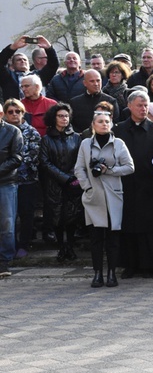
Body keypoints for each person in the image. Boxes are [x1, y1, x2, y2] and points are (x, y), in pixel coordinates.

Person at [113, 91, 153, 278]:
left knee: (152, 225)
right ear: (129, 106)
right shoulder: (119, 129)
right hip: (127, 183)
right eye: (139, 105)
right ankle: (131, 265)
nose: (143, 109)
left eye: (146, 105)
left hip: (151, 183)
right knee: (129, 225)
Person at [74, 109, 134, 287]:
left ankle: (111, 273)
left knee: (113, 238)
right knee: (96, 238)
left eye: (107, 121)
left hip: (113, 195)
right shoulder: (85, 144)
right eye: (100, 121)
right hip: (94, 197)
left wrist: (110, 171)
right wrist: (88, 187)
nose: (104, 124)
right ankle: (97, 273)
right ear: (93, 124)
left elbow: (130, 167)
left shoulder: (119, 144)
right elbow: (79, 168)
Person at [39, 103, 83, 262]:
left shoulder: (77, 137)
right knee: (57, 218)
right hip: (54, 184)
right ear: (54, 118)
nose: (64, 119)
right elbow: (44, 162)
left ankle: (69, 247)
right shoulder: (46, 139)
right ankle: (61, 247)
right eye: (60, 116)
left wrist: (72, 176)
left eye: (66, 116)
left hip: (73, 183)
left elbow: (80, 158)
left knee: (71, 217)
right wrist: (63, 177)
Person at [3, 99, 40, 260]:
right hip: (6, 179)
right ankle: (11, 245)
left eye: (17, 111)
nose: (14, 115)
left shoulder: (31, 132)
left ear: (22, 113)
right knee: (9, 217)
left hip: (27, 179)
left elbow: (33, 154)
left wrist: (15, 166)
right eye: (10, 112)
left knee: (26, 214)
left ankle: (24, 244)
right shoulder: (3, 131)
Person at [0, 103, 22, 276]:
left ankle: (5, 259)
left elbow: (16, 158)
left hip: (6, 182)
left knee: (7, 222)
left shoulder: (13, 132)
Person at [0, 35, 58, 102]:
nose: (22, 61)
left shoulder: (39, 75)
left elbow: (53, 65)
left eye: (25, 60)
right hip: (16, 110)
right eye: (19, 60)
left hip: (39, 110)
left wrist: (49, 48)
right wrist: (13, 47)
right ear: (13, 65)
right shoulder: (8, 77)